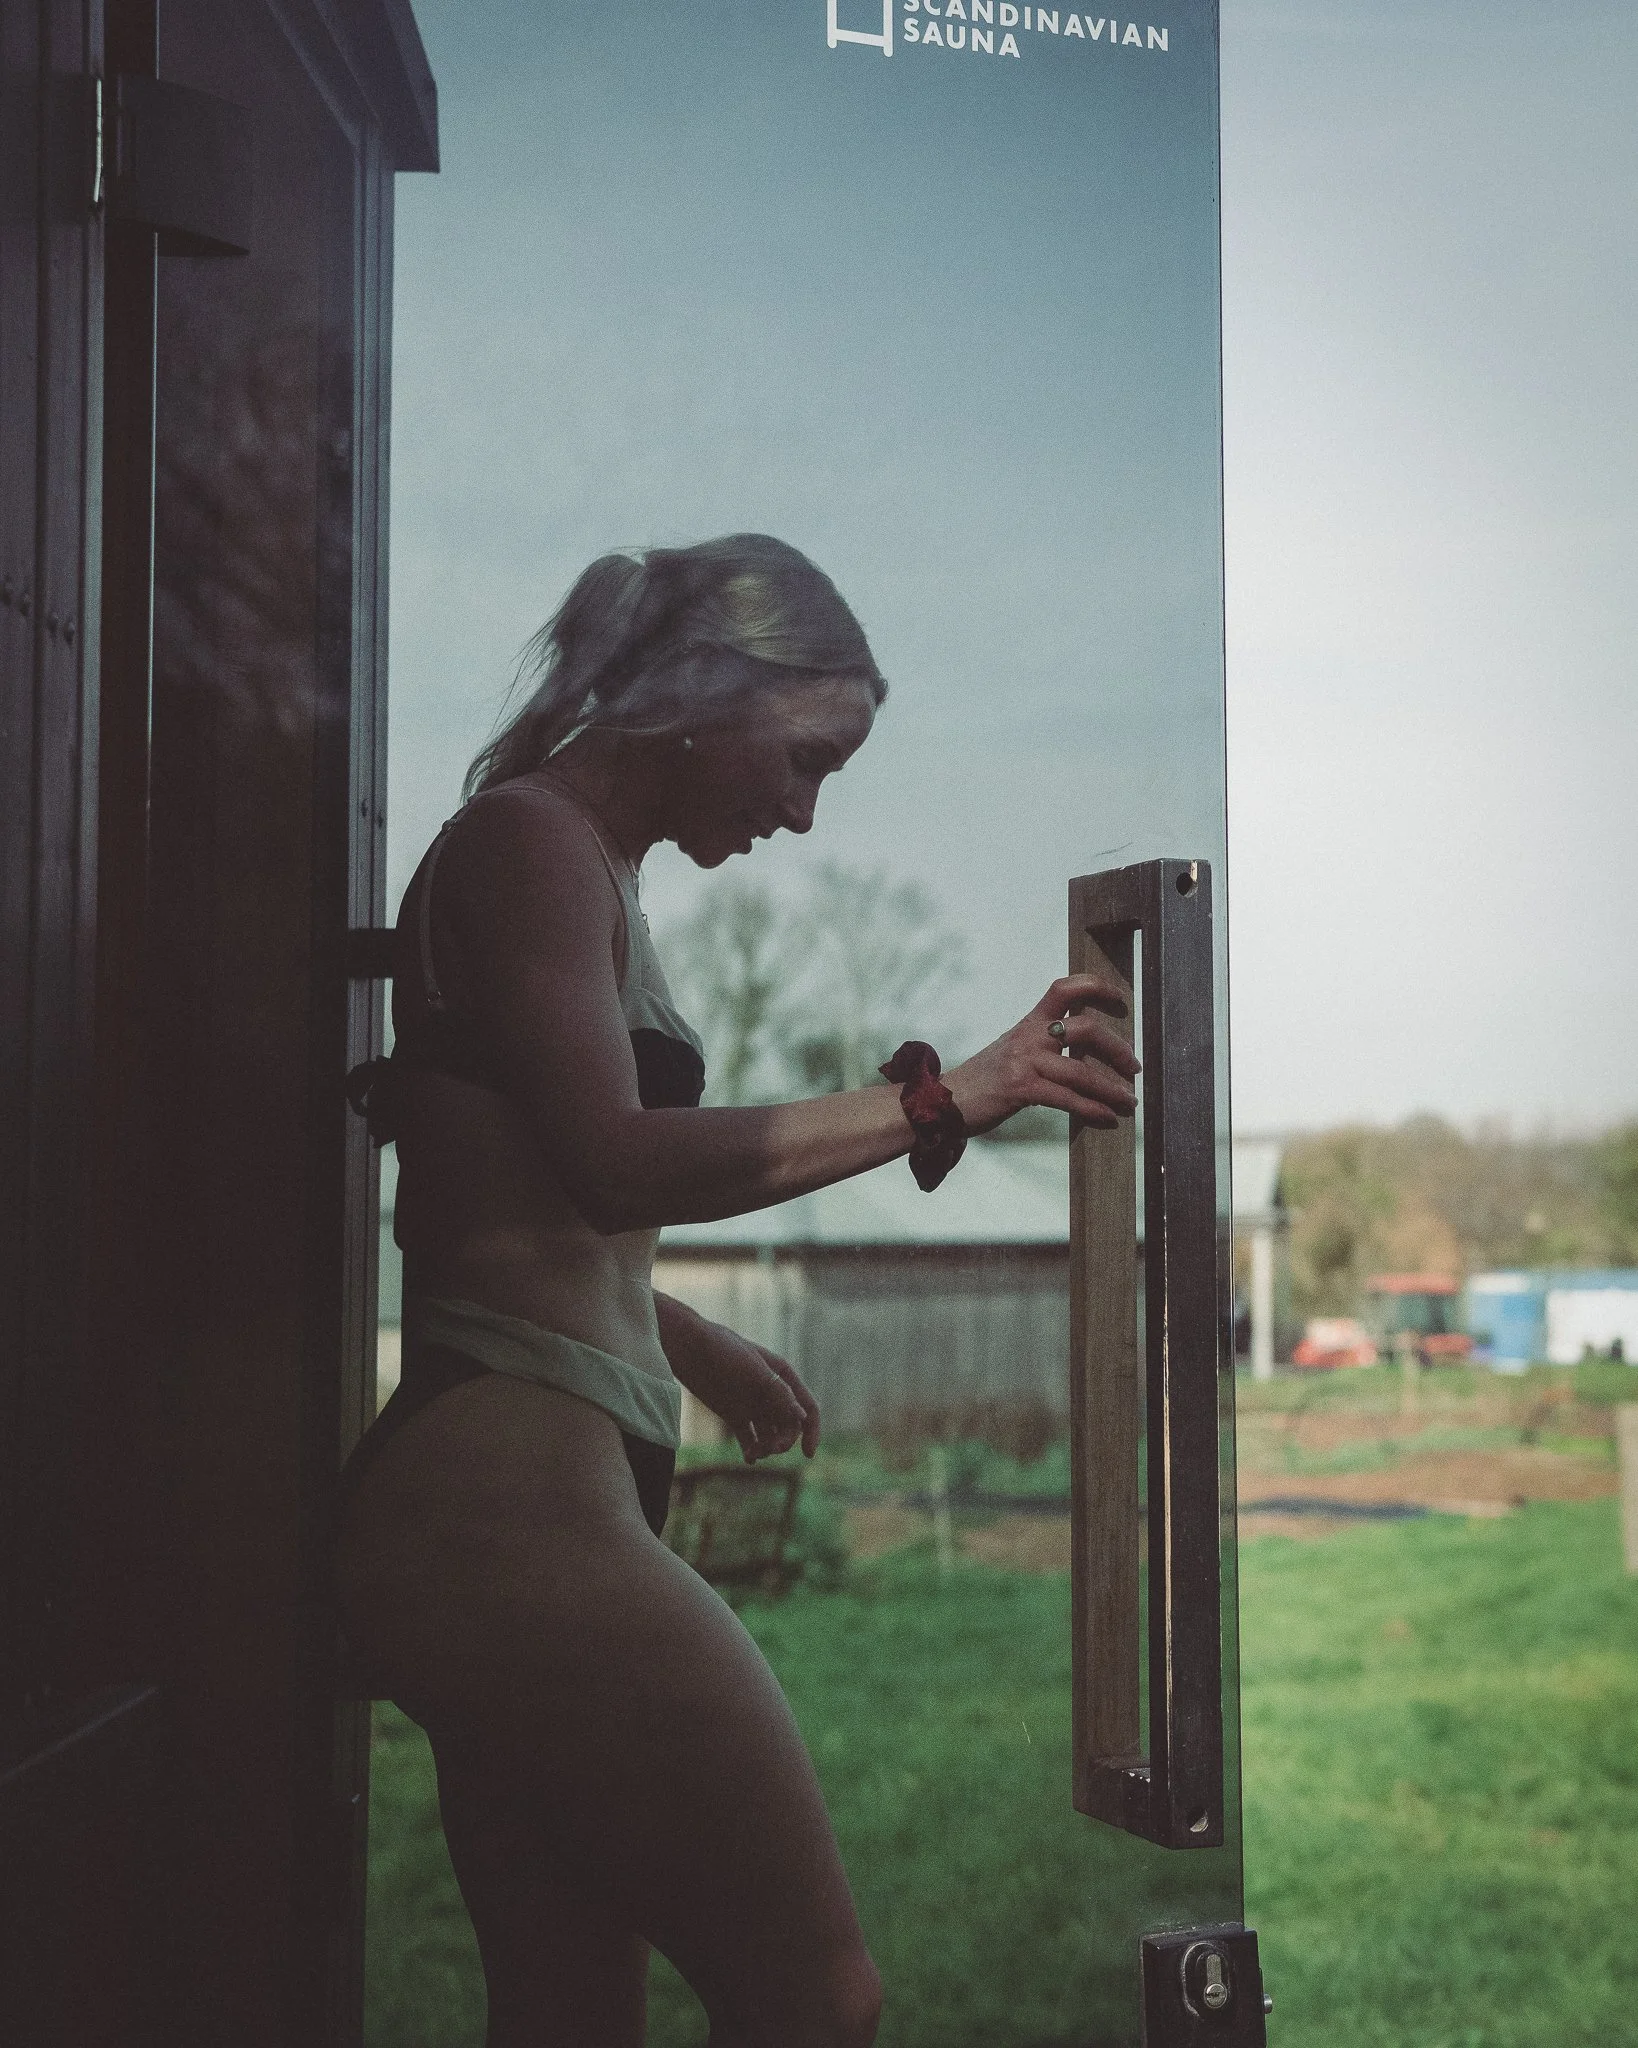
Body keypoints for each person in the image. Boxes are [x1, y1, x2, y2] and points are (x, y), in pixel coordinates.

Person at [335, 533, 1141, 2048]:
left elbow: (492, 1185)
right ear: (706, 696)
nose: (802, 809)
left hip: (498, 1507)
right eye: (802, 758)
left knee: (572, 2009)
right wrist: (943, 1097)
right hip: (507, 1515)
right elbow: (609, 1159)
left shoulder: (577, 868)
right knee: (817, 2000)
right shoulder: (526, 843)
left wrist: (681, 1335)